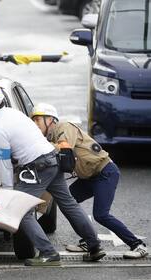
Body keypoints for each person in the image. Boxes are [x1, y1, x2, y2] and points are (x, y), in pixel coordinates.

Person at [0, 83, 106, 266]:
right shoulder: (16, 114)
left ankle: (48, 253)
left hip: (38, 166)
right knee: (68, 204)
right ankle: (94, 246)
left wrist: (7, 192)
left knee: (20, 210)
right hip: (53, 159)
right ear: (1, 101)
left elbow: (4, 164)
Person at [31, 103, 148, 259]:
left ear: (50, 120)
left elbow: (64, 149)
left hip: (105, 172)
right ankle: (88, 241)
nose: (35, 124)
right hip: (89, 177)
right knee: (69, 203)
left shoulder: (64, 127)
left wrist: (38, 145)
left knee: (101, 214)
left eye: (38, 120)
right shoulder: (50, 137)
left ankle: (138, 245)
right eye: (33, 120)